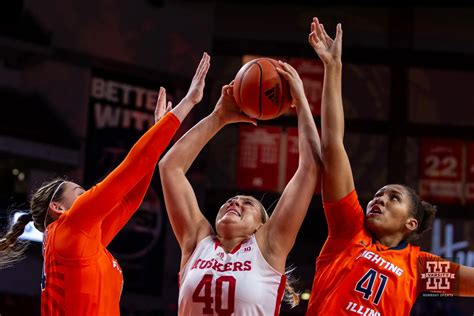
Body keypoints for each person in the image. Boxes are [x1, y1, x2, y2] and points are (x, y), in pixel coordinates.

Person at [0, 52, 211, 315]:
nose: (88, 193)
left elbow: (130, 200)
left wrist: (158, 135)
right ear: (58, 207)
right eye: (80, 191)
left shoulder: (84, 239)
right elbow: (128, 173)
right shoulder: (72, 225)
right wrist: (188, 103)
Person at [305, 17, 474, 316]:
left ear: (410, 223)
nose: (378, 199)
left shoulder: (419, 268)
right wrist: (333, 68)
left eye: (393, 197)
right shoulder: (349, 230)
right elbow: (332, 145)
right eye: (379, 195)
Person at [159, 61, 321, 315]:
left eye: (247, 203)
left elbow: (309, 168)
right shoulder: (197, 241)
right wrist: (218, 117)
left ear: (261, 225)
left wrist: (301, 100)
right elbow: (170, 167)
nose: (235, 203)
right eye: (231, 201)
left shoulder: (268, 246)